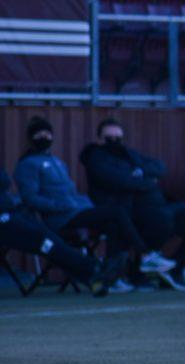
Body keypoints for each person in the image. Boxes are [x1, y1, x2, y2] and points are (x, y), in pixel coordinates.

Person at [14, 116, 167, 280]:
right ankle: (145, 255)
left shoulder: (57, 161)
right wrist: (60, 205)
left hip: (76, 210)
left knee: (113, 226)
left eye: (47, 134)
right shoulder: (27, 165)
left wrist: (82, 202)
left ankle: (110, 276)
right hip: (59, 218)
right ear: (31, 138)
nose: (44, 138)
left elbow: (70, 193)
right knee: (117, 212)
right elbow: (30, 198)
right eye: (39, 135)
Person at [80, 118, 185, 291]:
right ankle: (141, 265)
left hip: (157, 207)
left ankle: (176, 267)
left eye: (118, 139)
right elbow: (119, 181)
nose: (114, 143)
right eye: (108, 138)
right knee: (161, 219)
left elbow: (159, 167)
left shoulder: (129, 153)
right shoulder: (96, 158)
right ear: (99, 139)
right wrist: (147, 181)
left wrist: (140, 172)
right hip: (128, 211)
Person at [0, 166, 125, 296]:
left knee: (51, 243)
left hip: (12, 212)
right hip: (4, 219)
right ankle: (94, 268)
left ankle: (92, 277)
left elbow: (5, 181)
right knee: (44, 242)